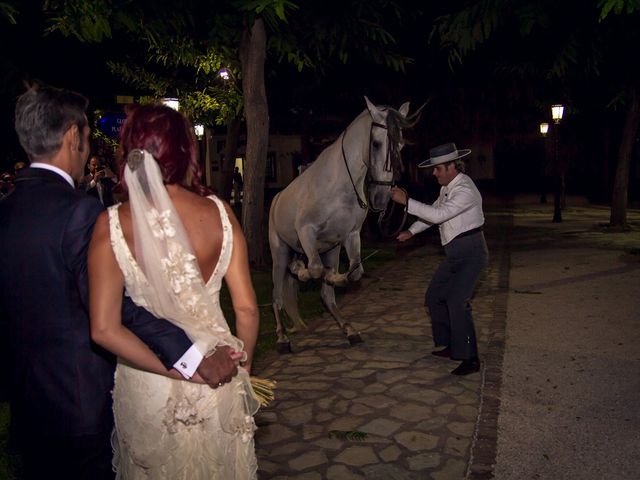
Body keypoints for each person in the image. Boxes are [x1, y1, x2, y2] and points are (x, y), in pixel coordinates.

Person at [0, 84, 238, 480]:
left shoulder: (5, 211)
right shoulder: (79, 212)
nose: (89, 151)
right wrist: (191, 359)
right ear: (73, 136)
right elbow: (114, 312)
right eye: (89, 138)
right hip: (83, 407)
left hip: (27, 409)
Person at [88, 104, 260, 478]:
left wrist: (181, 372)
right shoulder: (220, 213)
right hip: (221, 375)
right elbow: (246, 309)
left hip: (151, 383)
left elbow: (104, 329)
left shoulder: (113, 224)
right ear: (185, 151)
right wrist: (242, 370)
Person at [390, 142, 488, 376]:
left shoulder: (465, 190)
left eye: (438, 169)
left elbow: (439, 214)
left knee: (457, 302)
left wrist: (407, 202)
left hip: (472, 253)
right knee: (435, 297)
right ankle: (451, 344)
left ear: (452, 166)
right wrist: (412, 231)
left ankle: (471, 358)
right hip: (455, 254)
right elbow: (432, 214)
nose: (433, 173)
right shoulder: (447, 189)